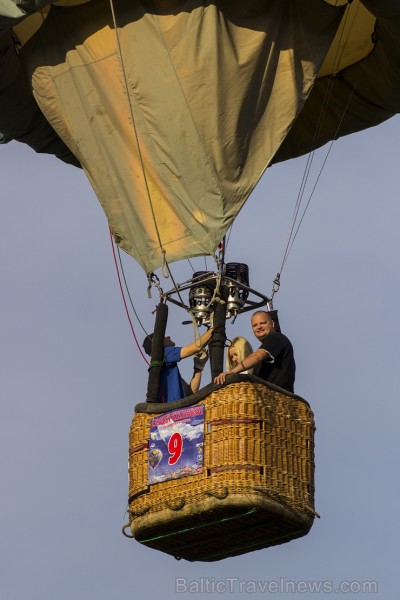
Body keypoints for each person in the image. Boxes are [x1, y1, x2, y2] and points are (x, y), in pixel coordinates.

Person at [214, 310, 295, 392]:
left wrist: (232, 372)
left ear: (272, 323)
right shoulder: (270, 349)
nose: (259, 327)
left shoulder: (275, 338)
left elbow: (257, 357)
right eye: (255, 325)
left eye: (263, 323)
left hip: (278, 398)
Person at [143, 328, 213, 403]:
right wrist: (215, 326)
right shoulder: (164, 353)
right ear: (160, 343)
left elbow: (190, 393)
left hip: (177, 411)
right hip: (172, 409)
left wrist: (198, 367)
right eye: (164, 336)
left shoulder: (169, 372)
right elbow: (196, 347)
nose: (168, 337)